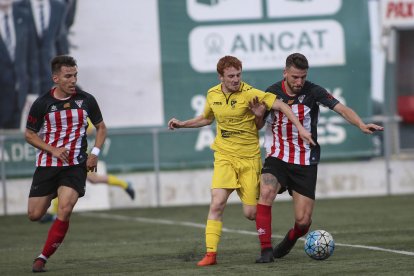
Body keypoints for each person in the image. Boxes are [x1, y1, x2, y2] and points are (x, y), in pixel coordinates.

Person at [167, 55, 315, 266]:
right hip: (224, 157)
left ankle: (269, 213)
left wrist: (299, 127)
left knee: (251, 213)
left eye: (238, 75)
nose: (236, 79)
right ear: (221, 77)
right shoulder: (212, 94)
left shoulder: (251, 93)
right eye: (231, 76)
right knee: (217, 203)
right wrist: (182, 124)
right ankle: (211, 254)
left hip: (249, 159)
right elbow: (207, 118)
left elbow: (282, 106)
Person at [252, 53, 384, 263]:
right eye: (295, 77)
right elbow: (259, 126)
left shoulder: (313, 91)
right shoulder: (272, 92)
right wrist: (258, 114)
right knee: (266, 191)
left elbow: (341, 108)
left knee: (303, 222)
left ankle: (290, 239)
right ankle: (266, 251)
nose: (299, 82)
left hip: (305, 161)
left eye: (303, 77)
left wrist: (360, 124)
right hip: (278, 156)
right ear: (285, 73)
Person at [25, 55, 107, 272]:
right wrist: (53, 150)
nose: (73, 80)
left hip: (75, 165)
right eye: (68, 76)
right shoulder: (42, 103)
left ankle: (42, 257)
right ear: (56, 78)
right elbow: (29, 135)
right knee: (34, 215)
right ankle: (52, 191)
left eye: (75, 75)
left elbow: (101, 128)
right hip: (47, 165)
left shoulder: (86, 100)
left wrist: (95, 153)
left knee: (65, 208)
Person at [0, 0, 39, 129]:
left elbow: (32, 56)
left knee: (11, 140)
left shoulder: (24, 16)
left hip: (18, 97)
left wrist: (33, 91)